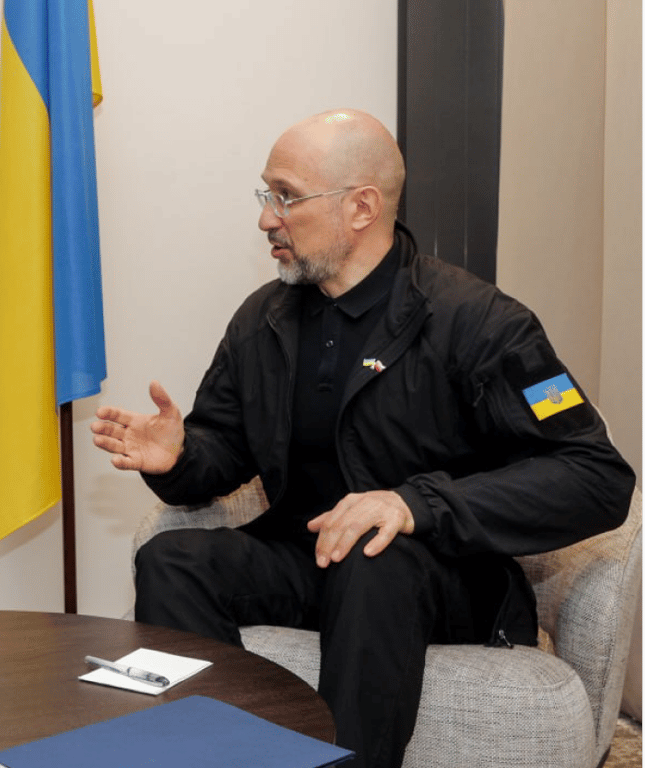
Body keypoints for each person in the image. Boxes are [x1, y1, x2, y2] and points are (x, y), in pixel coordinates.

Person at [90, 109, 634, 768]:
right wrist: (178, 458)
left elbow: (595, 475)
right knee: (171, 560)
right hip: (310, 559)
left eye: (286, 196)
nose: (266, 219)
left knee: (374, 556)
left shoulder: (481, 323)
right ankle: (223, 757)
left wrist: (412, 504)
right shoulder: (264, 319)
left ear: (361, 208)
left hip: (442, 574)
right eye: (267, 195)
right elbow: (223, 448)